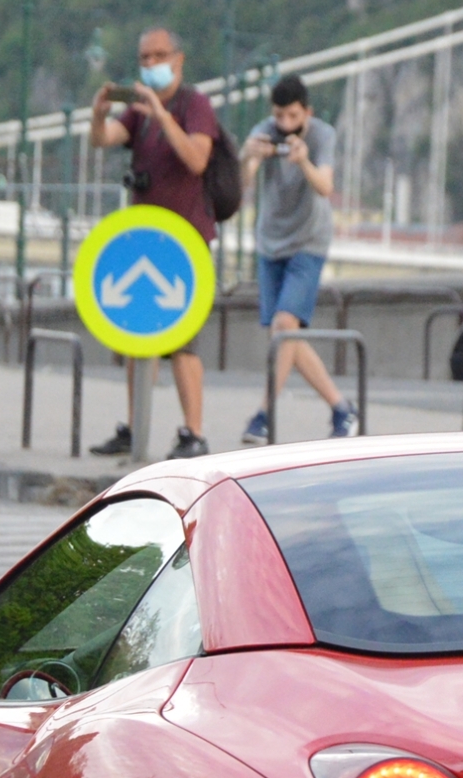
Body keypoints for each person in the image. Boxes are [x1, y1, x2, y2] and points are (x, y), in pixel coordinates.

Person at [88, 27, 222, 459]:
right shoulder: (138, 111)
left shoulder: (194, 105)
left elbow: (198, 159)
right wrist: (99, 113)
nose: (151, 64)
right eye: (145, 57)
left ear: (179, 59)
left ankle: (194, 434)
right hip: (144, 239)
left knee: (182, 344)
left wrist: (163, 116)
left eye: (160, 55)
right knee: (135, 338)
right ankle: (135, 424)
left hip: (185, 243)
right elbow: (104, 139)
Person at [239, 75, 357, 444]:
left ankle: (263, 414)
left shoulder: (322, 135)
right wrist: (249, 156)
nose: (285, 125)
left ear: (307, 112)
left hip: (309, 241)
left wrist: (303, 159)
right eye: (279, 117)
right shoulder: (265, 130)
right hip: (270, 241)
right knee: (285, 335)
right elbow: (242, 185)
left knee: (285, 324)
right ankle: (342, 409)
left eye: (292, 117)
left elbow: (325, 187)